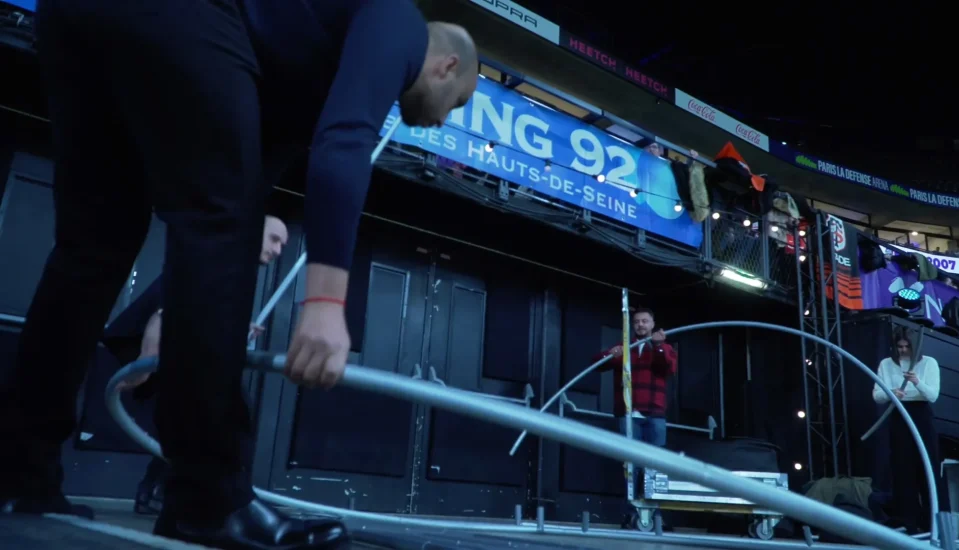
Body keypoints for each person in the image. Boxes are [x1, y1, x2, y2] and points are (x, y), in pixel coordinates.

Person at [0, 0, 477, 548]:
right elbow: (343, 141)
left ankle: (20, 473)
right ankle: (208, 500)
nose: (445, 118)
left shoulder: (293, 67)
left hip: (75, 16)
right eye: (458, 102)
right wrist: (325, 304)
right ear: (446, 66)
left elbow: (231, 213)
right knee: (216, 225)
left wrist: (165, 309)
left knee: (92, 247)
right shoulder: (400, 22)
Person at [98, 215, 288, 515]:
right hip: (164, 345)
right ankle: (217, 502)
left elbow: (199, 310)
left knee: (195, 422)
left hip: (185, 348)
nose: (278, 250)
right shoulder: (224, 259)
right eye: (273, 239)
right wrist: (146, 364)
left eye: (283, 244)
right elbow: (165, 311)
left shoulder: (232, 263)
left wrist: (236, 326)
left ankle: (159, 492)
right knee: (228, 419)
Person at [595, 308, 677, 528]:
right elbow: (597, 364)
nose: (641, 325)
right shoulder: (624, 349)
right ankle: (633, 515)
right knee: (631, 467)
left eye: (645, 321)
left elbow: (668, 368)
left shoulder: (664, 347)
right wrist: (610, 354)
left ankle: (655, 516)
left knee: (655, 465)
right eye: (637, 322)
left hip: (655, 415)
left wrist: (658, 345)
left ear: (652, 324)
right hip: (629, 415)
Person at [871, 328, 941, 535]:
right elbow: (877, 395)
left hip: (920, 414)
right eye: (899, 347)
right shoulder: (886, 364)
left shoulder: (929, 363)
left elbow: (933, 395)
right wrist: (891, 392)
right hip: (898, 414)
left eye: (906, 347)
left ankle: (932, 520)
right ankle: (908, 520)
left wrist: (917, 382)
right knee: (902, 468)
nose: (902, 351)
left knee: (926, 465)